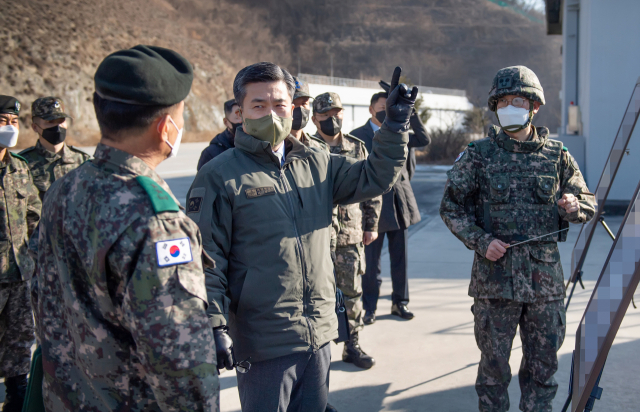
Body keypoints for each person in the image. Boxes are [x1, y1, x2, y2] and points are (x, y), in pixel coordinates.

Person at [187, 63, 417, 412]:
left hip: (318, 332)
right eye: (258, 106)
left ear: (292, 107)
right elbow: (207, 261)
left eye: (279, 104)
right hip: (264, 340)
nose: (272, 113)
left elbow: (374, 177)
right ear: (241, 112)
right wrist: (214, 325)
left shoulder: (317, 160)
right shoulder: (219, 175)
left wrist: (395, 125)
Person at [33, 45, 219, 411]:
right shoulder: (157, 222)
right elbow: (181, 362)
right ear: (166, 126)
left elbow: (46, 305)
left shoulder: (64, 188)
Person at [439, 66, 596, 412]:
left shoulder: (557, 155)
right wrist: (480, 241)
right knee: (493, 371)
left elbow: (587, 201)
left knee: (543, 369)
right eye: (504, 101)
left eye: (519, 101)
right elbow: (451, 207)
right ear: (495, 106)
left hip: (544, 286)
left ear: (534, 106)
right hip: (495, 283)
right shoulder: (479, 155)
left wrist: (574, 205)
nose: (511, 107)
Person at [312, 92, 381, 370]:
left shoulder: (357, 146)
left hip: (350, 235)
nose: (333, 118)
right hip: (316, 236)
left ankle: (352, 345)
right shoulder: (307, 148)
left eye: (337, 112)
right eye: (326, 115)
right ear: (315, 119)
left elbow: (371, 189)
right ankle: (318, 354)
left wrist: (371, 224)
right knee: (317, 297)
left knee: (352, 293)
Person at [351, 91, 430, 323]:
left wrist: (410, 111)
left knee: (400, 260)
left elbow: (424, 139)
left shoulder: (401, 131)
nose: (387, 111)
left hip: (400, 205)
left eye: (391, 107)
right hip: (372, 209)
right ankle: (370, 307)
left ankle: (400, 303)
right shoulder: (357, 137)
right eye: (383, 107)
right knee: (371, 263)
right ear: (371, 109)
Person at [0, 95, 41, 412]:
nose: (9, 128)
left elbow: (34, 218)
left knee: (19, 347)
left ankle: (16, 402)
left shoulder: (20, 168)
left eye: (13, 122)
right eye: (3, 121)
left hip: (20, 276)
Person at [19, 97, 90, 201]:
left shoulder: (82, 160)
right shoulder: (23, 164)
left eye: (61, 121)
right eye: (50, 122)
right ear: (35, 127)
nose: (57, 126)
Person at [197, 99, 242, 170]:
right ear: (226, 122)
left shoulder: (256, 146)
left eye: (244, 117)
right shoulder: (211, 153)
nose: (242, 121)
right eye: (237, 117)